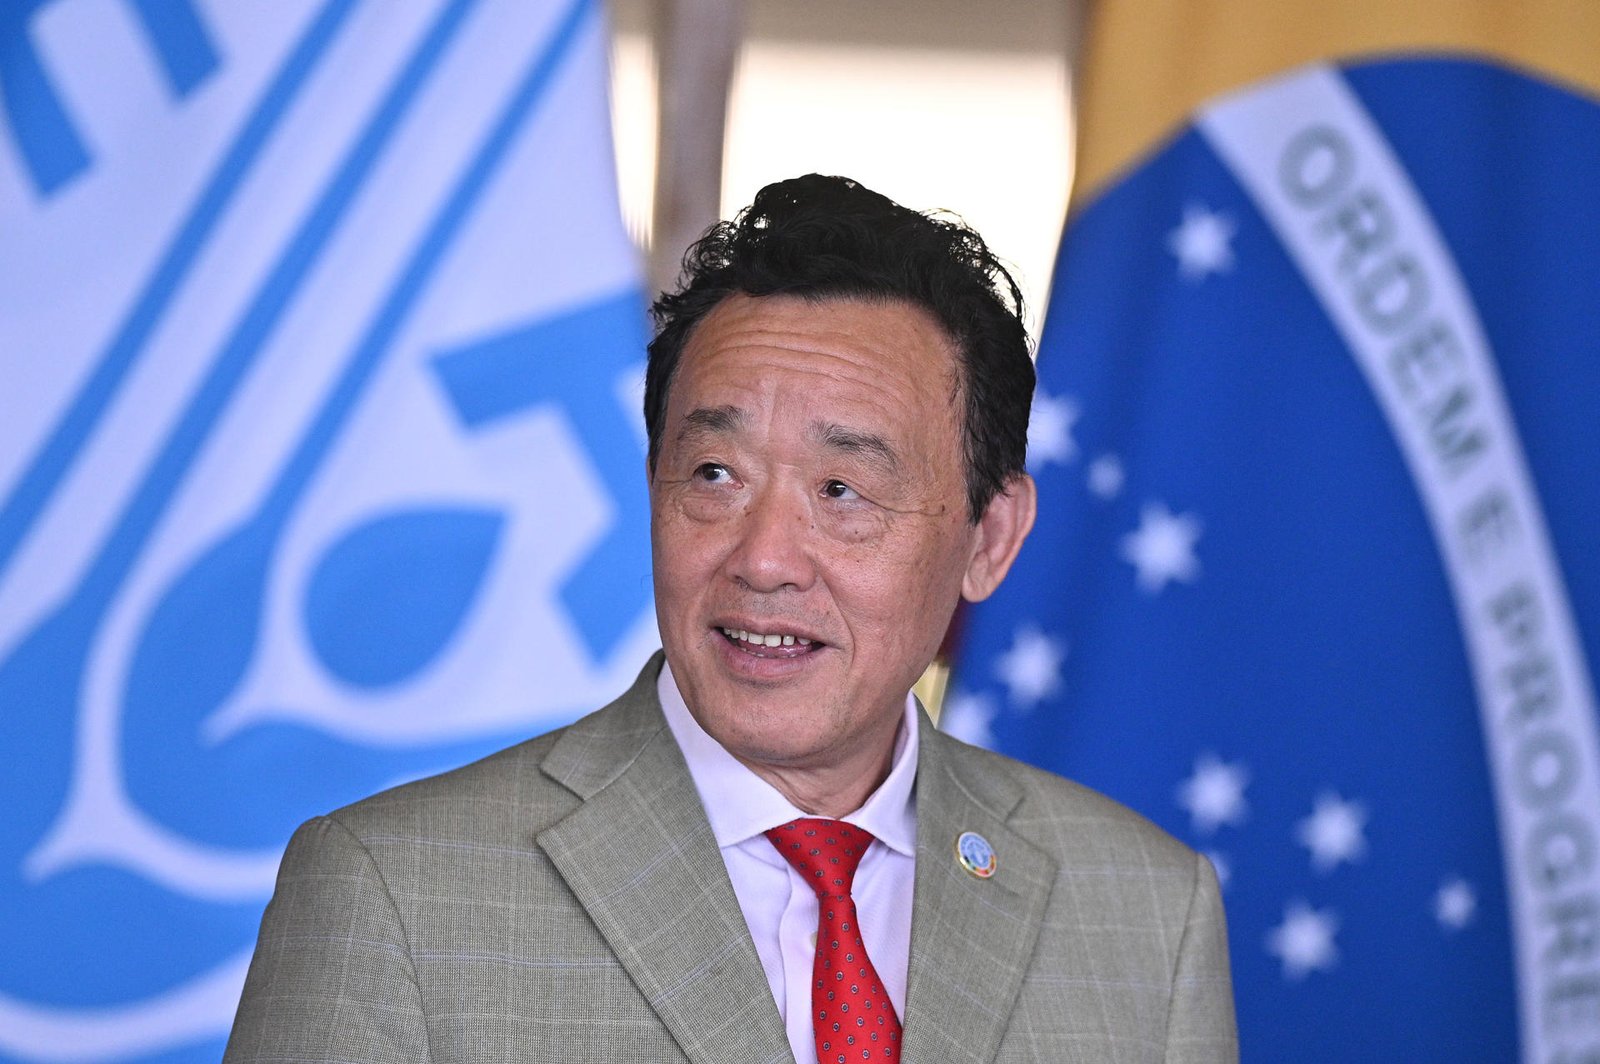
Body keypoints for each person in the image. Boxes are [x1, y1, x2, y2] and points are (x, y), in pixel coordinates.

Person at [224, 174, 1237, 1063]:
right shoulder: (395, 895)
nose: (763, 558)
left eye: (842, 490)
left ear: (989, 537)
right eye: (714, 473)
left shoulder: (1148, 913)